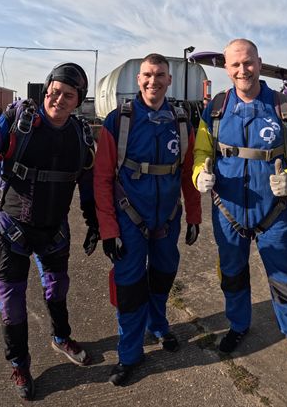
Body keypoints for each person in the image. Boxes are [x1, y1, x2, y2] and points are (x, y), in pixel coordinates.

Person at [0, 63, 99, 401]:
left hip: (54, 232)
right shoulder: (18, 120)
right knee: (12, 305)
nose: (58, 99)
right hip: (12, 232)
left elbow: (88, 184)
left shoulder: (80, 135)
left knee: (58, 289)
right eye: (55, 91)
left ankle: (61, 337)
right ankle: (19, 364)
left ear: (78, 100)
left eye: (68, 95)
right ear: (46, 89)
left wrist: (93, 222)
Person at [192, 39, 287, 363]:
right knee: (232, 274)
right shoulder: (215, 109)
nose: (242, 70)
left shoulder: (283, 107)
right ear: (226, 68)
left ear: (259, 63)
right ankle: (238, 326)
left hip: (274, 212)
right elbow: (201, 152)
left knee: (285, 277)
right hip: (227, 211)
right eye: (235, 64)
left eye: (248, 62)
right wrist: (198, 175)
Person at [94, 53, 202, 386]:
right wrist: (108, 229)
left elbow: (188, 173)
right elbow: (102, 178)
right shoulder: (118, 121)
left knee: (163, 275)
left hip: (168, 218)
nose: (153, 81)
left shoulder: (181, 122)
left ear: (169, 80)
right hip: (129, 218)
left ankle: (159, 325)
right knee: (129, 287)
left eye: (159, 75)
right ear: (138, 80)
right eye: (147, 75)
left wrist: (194, 214)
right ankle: (129, 354)